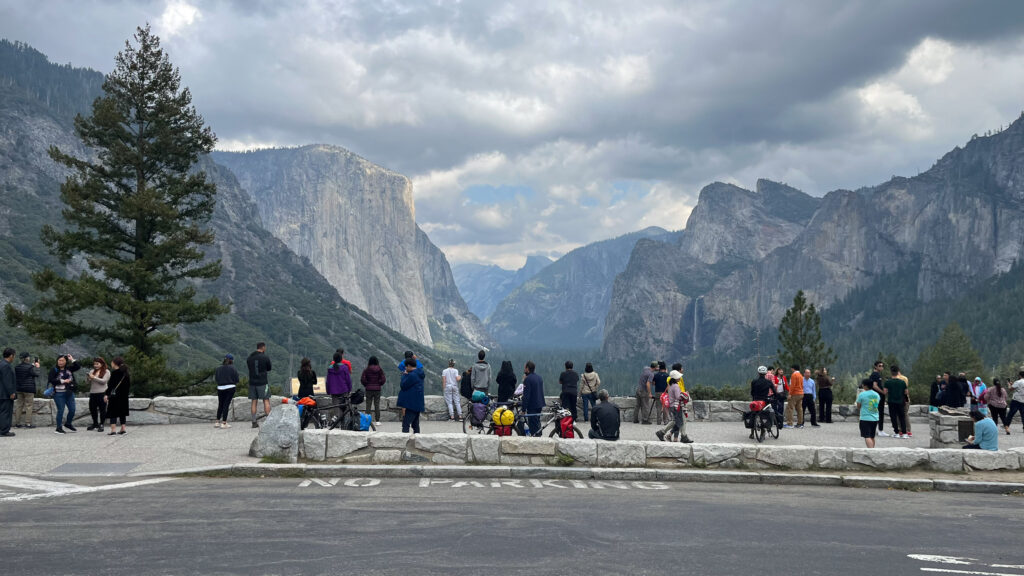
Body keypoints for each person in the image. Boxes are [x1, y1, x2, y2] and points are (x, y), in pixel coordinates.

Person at [655, 370, 692, 443]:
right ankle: (683, 436)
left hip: (672, 406)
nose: (679, 378)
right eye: (678, 377)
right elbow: (678, 397)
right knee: (681, 421)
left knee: (675, 421)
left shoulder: (671, 385)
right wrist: (685, 394)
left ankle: (662, 432)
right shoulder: (675, 386)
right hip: (676, 406)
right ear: (675, 378)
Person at [49, 354, 81, 434]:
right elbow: (51, 380)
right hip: (58, 394)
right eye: (59, 360)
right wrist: (63, 381)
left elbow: (77, 367)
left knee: (72, 410)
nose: (60, 362)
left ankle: (68, 423)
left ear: (66, 361)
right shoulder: (54, 370)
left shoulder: (69, 369)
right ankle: (58, 427)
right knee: (61, 410)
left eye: (62, 360)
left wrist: (72, 359)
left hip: (69, 393)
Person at [246, 342, 272, 428]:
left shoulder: (249, 358)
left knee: (254, 401)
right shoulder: (265, 357)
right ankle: (269, 421)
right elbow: (269, 368)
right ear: (263, 347)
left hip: (252, 382)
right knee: (266, 400)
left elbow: (249, 368)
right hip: (262, 382)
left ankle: (254, 421)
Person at [104, 357, 130, 435]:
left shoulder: (115, 373)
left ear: (115, 363)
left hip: (115, 396)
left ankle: (113, 430)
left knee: (113, 412)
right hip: (124, 396)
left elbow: (111, 385)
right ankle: (123, 428)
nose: (111, 363)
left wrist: (106, 394)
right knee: (122, 412)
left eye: (112, 362)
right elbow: (128, 385)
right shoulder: (126, 373)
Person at [398, 358, 425, 434]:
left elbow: (403, 385)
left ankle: (404, 440)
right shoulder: (419, 373)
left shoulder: (412, 375)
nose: (405, 368)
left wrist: (404, 376)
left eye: (406, 367)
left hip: (411, 403)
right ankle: (417, 440)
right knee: (415, 424)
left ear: (409, 366)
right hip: (417, 402)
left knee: (406, 424)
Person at [14, 352, 40, 429]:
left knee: (19, 406)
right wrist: (37, 367)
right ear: (27, 358)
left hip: (19, 388)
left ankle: (17, 423)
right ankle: (27, 423)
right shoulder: (30, 367)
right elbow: (36, 374)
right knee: (29, 406)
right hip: (29, 389)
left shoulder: (17, 367)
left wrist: (32, 366)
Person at [883, 366, 909, 438]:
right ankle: (904, 433)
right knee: (902, 417)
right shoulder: (902, 382)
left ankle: (896, 432)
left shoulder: (887, 382)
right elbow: (906, 392)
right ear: (898, 372)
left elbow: (885, 392)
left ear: (891, 372)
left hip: (891, 401)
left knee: (893, 417)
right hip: (900, 401)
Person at [214, 354, 239, 429]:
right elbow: (237, 379)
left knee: (220, 404)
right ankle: (224, 423)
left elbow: (216, 379)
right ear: (231, 360)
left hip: (220, 388)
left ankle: (217, 422)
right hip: (230, 387)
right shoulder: (233, 368)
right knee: (226, 404)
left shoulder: (218, 368)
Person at [85, 356, 110, 432]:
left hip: (102, 393)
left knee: (102, 409)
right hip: (93, 393)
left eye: (97, 364)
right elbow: (87, 383)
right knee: (92, 409)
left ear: (102, 364)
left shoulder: (106, 371)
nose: (95, 365)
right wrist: (88, 378)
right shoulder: (92, 371)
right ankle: (95, 423)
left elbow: (104, 381)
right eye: (94, 364)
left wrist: (94, 377)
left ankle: (101, 424)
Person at [856, 378, 880, 448]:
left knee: (867, 436)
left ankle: (870, 451)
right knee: (872, 436)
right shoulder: (877, 394)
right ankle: (873, 449)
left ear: (865, 386)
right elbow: (876, 404)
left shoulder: (862, 394)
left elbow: (858, 406)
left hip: (865, 418)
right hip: (875, 418)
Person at [360, 356, 386, 424]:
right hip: (377, 389)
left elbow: (363, 379)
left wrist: (366, 384)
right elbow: (383, 379)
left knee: (368, 405)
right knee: (377, 404)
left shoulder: (366, 369)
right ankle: (377, 420)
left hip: (368, 389)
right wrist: (379, 384)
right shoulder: (379, 369)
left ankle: (367, 420)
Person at [522, 361, 544, 436]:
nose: (524, 369)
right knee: (537, 422)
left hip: (532, 405)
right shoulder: (539, 377)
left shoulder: (528, 379)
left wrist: (523, 409)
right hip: (540, 404)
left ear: (527, 368)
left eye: (525, 367)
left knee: (533, 426)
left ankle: (536, 440)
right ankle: (539, 435)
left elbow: (526, 396)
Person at [868, 360, 888, 436]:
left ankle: (873, 429)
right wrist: (883, 392)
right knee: (879, 412)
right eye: (880, 366)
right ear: (875, 366)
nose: (881, 367)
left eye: (882, 366)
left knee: (874, 412)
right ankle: (880, 430)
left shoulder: (875, 374)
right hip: (878, 396)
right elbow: (874, 385)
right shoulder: (876, 375)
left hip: (875, 396)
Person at [0, 348, 15, 437]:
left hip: (1, 393)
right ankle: (4, 430)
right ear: (11, 356)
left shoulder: (1, 364)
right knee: (6, 412)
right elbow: (7, 381)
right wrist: (11, 392)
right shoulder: (6, 366)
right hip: (5, 394)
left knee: (2, 411)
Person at [893, 365, 912, 437]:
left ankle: (900, 430)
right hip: (906, 398)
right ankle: (908, 430)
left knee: (898, 414)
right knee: (905, 414)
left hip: (898, 399)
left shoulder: (894, 379)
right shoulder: (905, 378)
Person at [784, 364, 804, 428]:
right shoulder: (801, 375)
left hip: (795, 393)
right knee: (799, 409)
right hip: (801, 393)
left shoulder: (794, 375)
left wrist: (790, 394)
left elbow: (793, 385)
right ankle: (800, 423)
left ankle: (790, 423)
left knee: (790, 408)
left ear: (793, 368)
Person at [1005, 369, 1024, 434]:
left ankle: (1007, 426)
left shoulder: (1018, 382)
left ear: (1019, 376)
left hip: (1016, 400)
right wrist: (1012, 384)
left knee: (1011, 414)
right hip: (1023, 400)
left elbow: (1010, 389)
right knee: (1023, 415)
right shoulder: (1019, 382)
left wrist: (1008, 384)